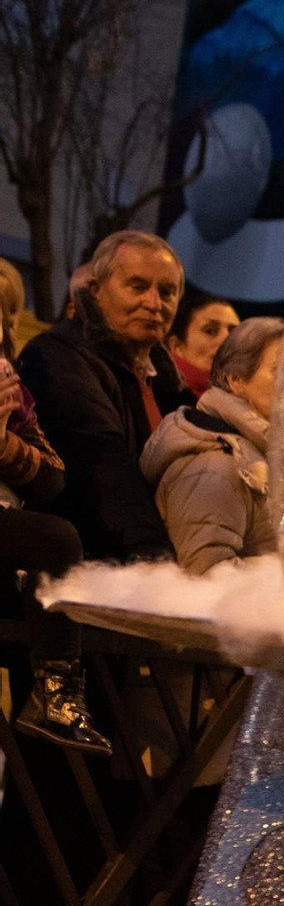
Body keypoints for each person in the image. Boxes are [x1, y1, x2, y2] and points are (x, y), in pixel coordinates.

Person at [18, 232, 190, 561]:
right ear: (96, 291)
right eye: (138, 287)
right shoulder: (59, 357)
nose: (154, 304)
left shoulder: (168, 384)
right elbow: (100, 463)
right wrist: (155, 562)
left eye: (167, 292)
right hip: (91, 566)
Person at [0, 268, 110, 755]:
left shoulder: (10, 386)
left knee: (58, 542)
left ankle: (55, 699)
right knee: (56, 539)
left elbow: (52, 476)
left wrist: (3, 441)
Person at [142, 318, 282, 573]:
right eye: (282, 370)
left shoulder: (264, 454)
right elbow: (205, 575)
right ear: (236, 380)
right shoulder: (214, 466)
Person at [166, 291, 240, 395]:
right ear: (177, 346)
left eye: (234, 333)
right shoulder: (159, 395)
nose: (226, 340)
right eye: (210, 331)